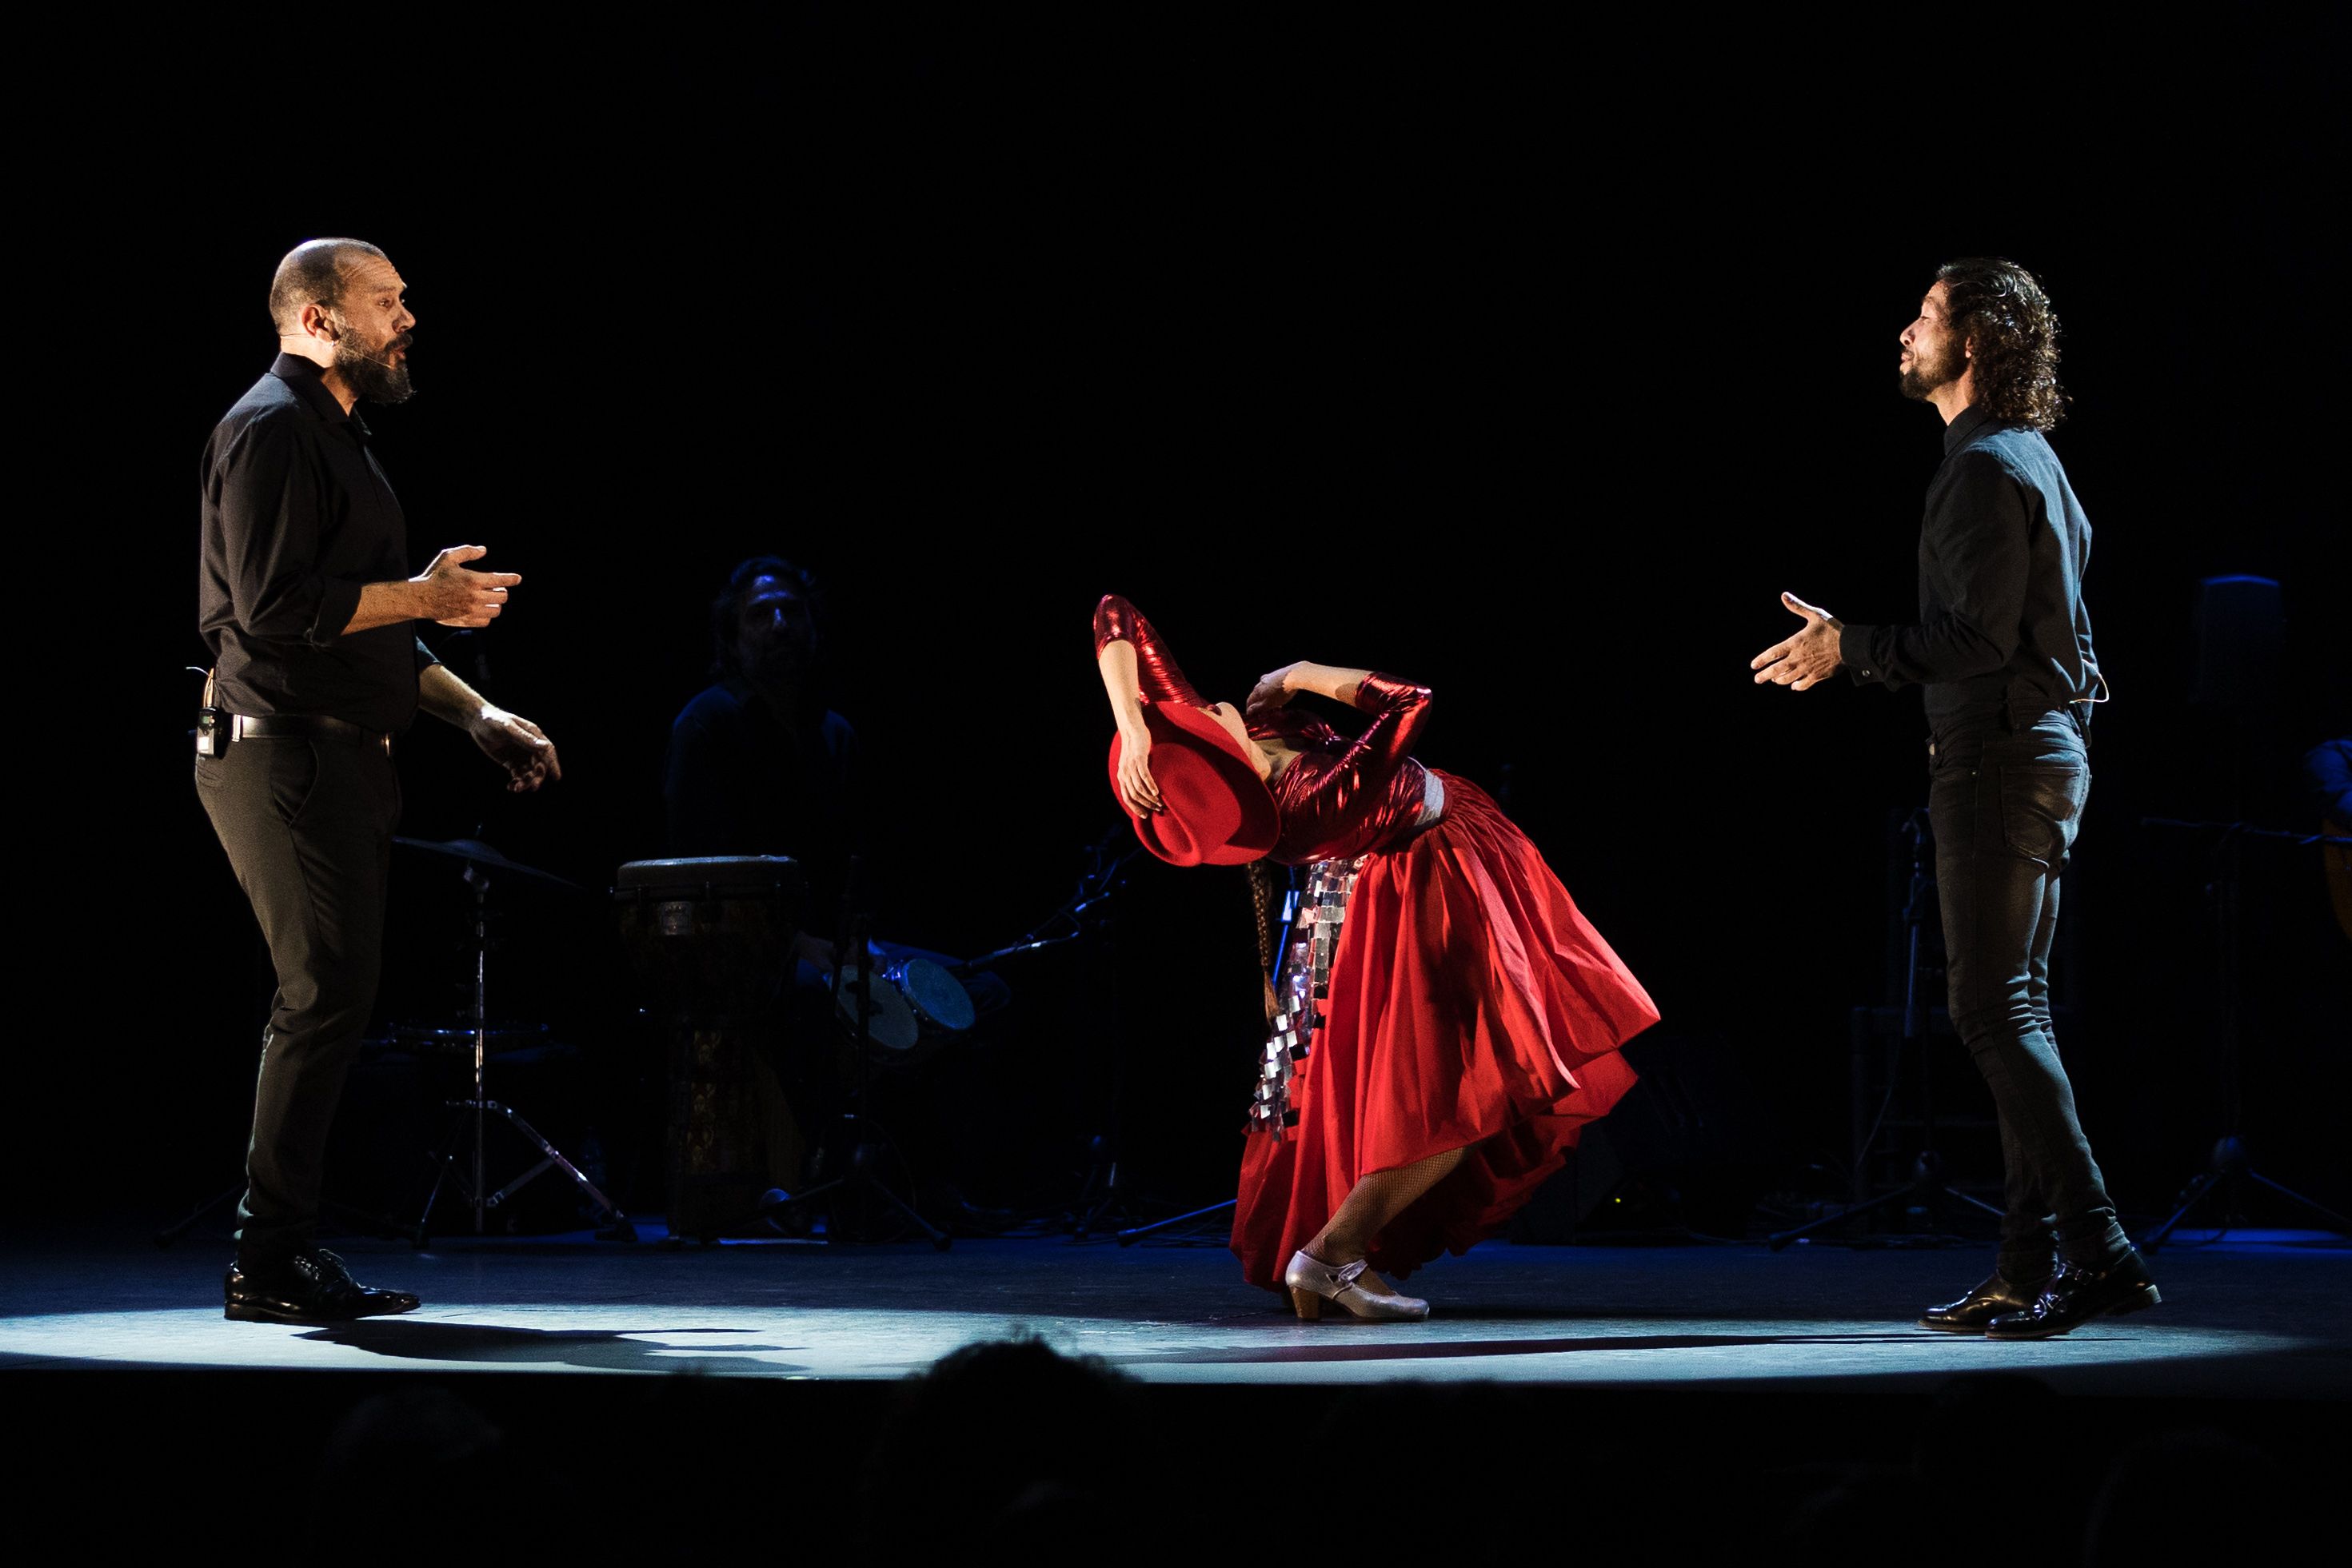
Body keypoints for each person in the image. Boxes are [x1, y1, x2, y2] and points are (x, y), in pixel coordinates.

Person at [1747, 257, 2158, 1339]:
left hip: (1996, 759)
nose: (1906, 331)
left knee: (1992, 1009)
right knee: (2010, 1007)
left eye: (1926, 316)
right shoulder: (2031, 461)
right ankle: (2023, 1269)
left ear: (1971, 341)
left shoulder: (1982, 468)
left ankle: (2099, 1245)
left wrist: (1852, 648)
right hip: (2035, 755)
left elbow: (1973, 643)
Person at [1093, 594, 1658, 1319]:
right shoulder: (1310, 801)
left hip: (1406, 868)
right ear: (1224, 759)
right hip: (1435, 877)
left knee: (1465, 1075)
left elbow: (1117, 616)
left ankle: (1333, 1256)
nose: (1196, 704)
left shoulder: (1236, 738)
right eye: (1194, 723)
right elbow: (1411, 701)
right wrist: (1303, 671)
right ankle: (1328, 1254)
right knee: (1476, 1081)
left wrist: (1134, 730)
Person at [199, 238, 563, 1323]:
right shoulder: (269, 428)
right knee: (322, 992)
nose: (408, 319)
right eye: (387, 302)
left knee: (336, 992)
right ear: (317, 319)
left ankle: (278, 1248)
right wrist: (421, 597)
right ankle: (266, 1257)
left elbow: (372, 629)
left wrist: (480, 715)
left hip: (335, 750)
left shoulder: (338, 440)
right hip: (279, 749)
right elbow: (275, 609)